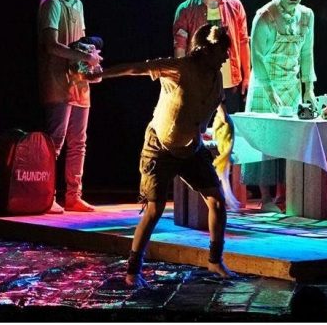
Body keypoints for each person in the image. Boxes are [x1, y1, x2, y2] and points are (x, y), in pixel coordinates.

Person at [89, 24, 236, 287]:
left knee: (216, 201)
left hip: (191, 149)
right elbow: (137, 68)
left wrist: (225, 119)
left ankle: (215, 260)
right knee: (154, 209)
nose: (227, 56)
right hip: (160, 147)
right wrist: (102, 74)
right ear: (206, 50)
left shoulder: (215, 77)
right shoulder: (179, 68)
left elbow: (218, 102)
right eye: (223, 50)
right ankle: (133, 271)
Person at [243, 0, 316, 212]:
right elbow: (256, 57)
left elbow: (307, 53)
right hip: (266, 83)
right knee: (265, 142)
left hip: (291, 85)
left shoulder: (307, 15)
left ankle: (285, 196)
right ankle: (266, 198)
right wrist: (269, 91)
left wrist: (308, 88)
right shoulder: (265, 16)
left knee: (289, 141)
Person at [37, 0, 102, 213]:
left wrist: (91, 59)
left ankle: (74, 195)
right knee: (56, 141)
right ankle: (46, 195)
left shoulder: (77, 3)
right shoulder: (51, 2)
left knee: (79, 141)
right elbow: (51, 45)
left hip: (78, 81)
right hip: (57, 81)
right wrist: (82, 56)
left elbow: (80, 42)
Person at [173, 0, 251, 114]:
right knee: (201, 125)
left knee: (229, 125)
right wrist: (183, 79)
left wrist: (247, 76)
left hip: (230, 83)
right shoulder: (186, 9)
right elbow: (180, 48)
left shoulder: (235, 5)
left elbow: (243, 41)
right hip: (200, 82)